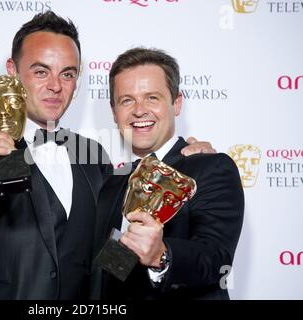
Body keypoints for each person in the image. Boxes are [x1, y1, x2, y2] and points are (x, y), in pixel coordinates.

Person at [0, 11, 215, 300]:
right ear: (12, 71)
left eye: (68, 74)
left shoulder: (93, 154)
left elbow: (113, 253)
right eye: (41, 71)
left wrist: (182, 160)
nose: (55, 86)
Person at [91, 47, 244, 300]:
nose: (139, 110)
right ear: (114, 112)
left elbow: (216, 258)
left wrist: (162, 256)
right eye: (126, 100)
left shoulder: (211, 167)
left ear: (177, 103)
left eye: (152, 97)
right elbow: (113, 272)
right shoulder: (113, 183)